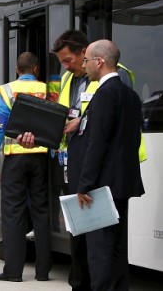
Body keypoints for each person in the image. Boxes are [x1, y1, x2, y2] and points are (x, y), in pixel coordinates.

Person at [72, 39, 144, 290]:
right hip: (122, 184)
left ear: (99, 62)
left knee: (100, 252)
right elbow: (133, 140)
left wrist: (84, 184)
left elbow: (97, 143)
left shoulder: (104, 95)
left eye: (87, 60)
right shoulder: (131, 95)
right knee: (117, 250)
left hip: (101, 188)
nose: (85, 65)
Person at [0, 52, 51, 282]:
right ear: (36, 69)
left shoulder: (7, 90)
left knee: (13, 213)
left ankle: (13, 271)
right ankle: (43, 272)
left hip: (15, 159)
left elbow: (0, 125)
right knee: (41, 212)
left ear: (16, 69)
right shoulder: (47, 89)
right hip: (41, 157)